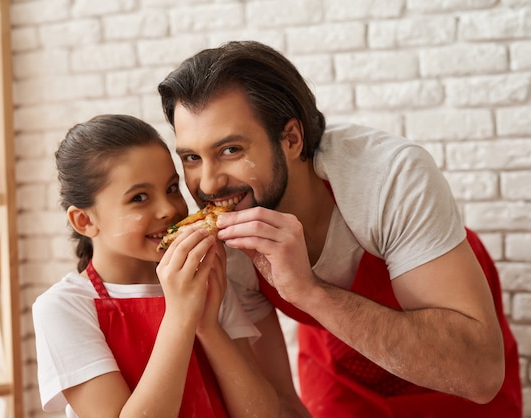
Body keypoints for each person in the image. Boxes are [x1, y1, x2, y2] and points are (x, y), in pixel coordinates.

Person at [157, 41, 522, 417]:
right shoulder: (226, 246)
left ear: (292, 139)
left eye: (231, 150)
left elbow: (480, 374)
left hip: (448, 327)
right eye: (191, 158)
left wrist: (308, 291)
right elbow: (279, 401)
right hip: (339, 352)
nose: (210, 185)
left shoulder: (389, 178)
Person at [32, 114, 280, 418]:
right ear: (85, 220)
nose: (169, 209)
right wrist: (180, 316)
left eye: (172, 188)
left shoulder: (203, 279)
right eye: (139, 197)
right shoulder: (64, 308)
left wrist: (208, 326)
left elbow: (262, 414)